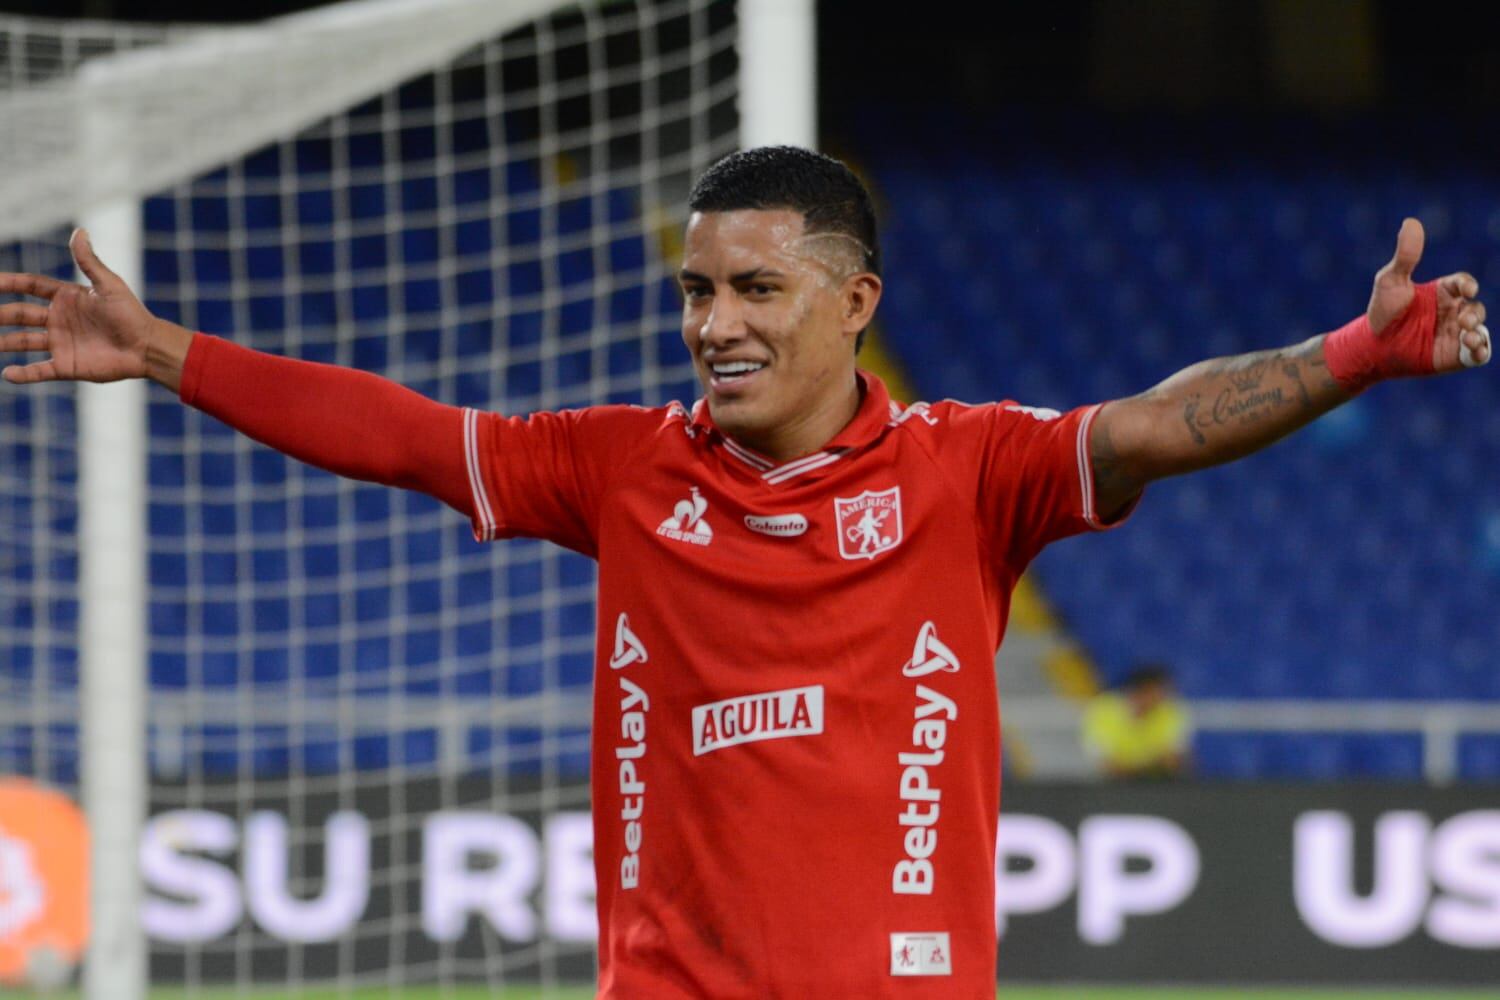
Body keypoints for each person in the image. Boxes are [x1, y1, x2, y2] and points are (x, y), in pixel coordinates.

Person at [0, 146, 1490, 997]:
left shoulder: (970, 469)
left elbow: (1165, 420)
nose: (716, 323)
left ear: (855, 303)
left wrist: (1354, 352)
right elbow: (402, 435)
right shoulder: (621, 468)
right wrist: (166, 351)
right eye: (699, 288)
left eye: (758, 288)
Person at [1082, 663, 1192, 780]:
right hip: (1109, 784)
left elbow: (1173, 761)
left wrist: (1133, 767)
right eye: (1160, 692)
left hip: (1159, 782)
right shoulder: (1103, 710)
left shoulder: (1172, 711)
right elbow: (1106, 764)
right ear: (1143, 691)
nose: (1165, 697)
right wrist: (1148, 766)